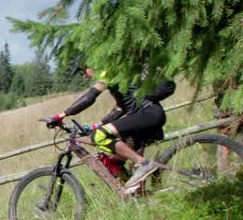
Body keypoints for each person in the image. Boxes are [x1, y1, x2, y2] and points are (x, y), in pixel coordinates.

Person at [47, 68, 177, 191]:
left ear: (90, 65)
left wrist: (61, 115)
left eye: (82, 70)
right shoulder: (116, 83)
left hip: (148, 113)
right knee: (113, 159)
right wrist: (95, 125)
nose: (84, 76)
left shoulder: (107, 72)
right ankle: (139, 193)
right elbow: (120, 108)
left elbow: (89, 98)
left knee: (99, 136)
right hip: (145, 115)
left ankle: (143, 164)